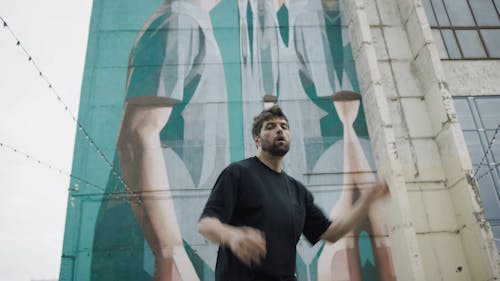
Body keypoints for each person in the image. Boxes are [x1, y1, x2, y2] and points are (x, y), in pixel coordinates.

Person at [198, 104, 389, 281]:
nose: (279, 129)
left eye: (284, 126)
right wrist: (232, 236)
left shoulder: (297, 191)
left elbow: (332, 233)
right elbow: (206, 224)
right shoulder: (238, 173)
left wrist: (366, 200)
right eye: (270, 126)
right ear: (257, 139)